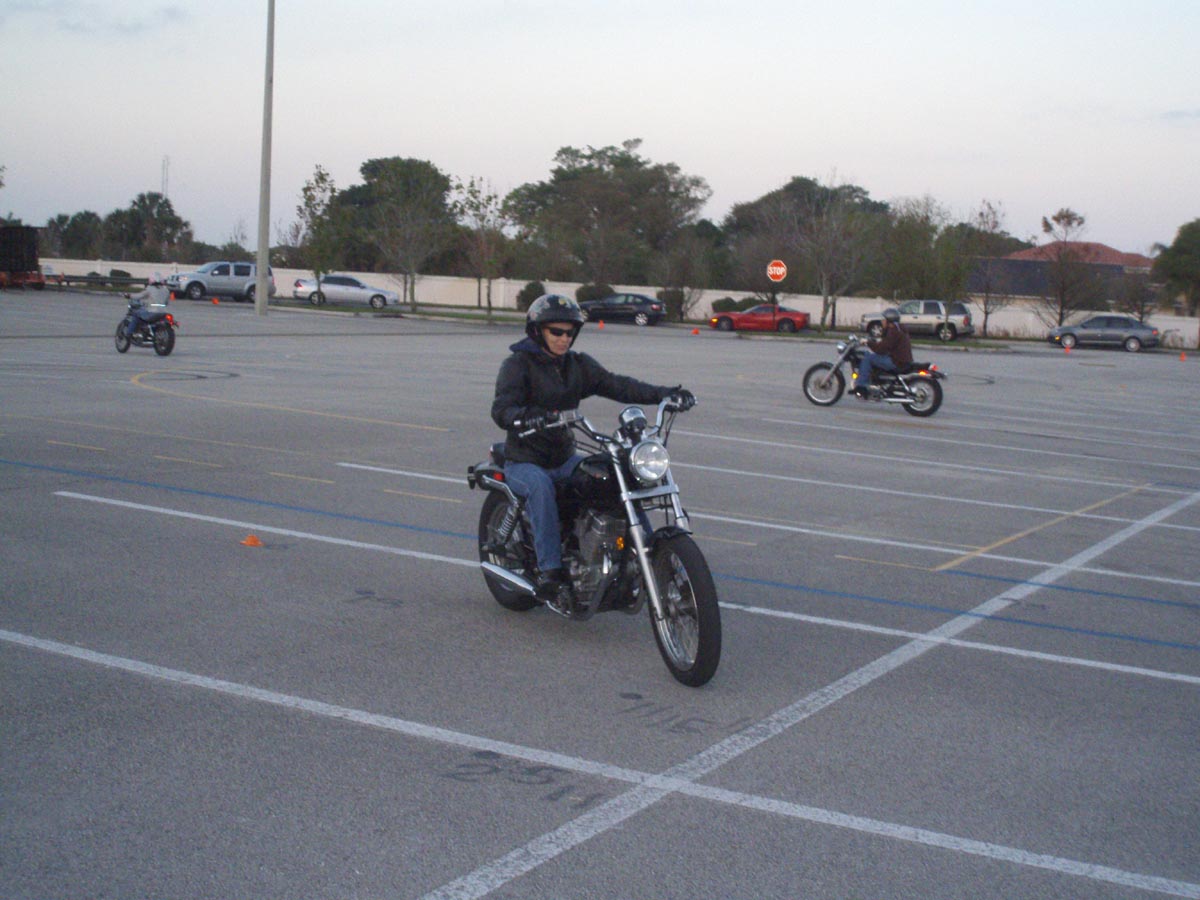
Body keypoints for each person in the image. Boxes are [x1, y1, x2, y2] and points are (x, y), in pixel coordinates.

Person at [491, 294, 694, 609]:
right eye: (556, 332)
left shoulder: (577, 365)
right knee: (541, 488)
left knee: (613, 476)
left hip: (564, 457)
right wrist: (527, 417)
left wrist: (665, 395)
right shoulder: (517, 365)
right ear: (537, 331)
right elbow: (502, 408)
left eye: (569, 332)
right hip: (525, 460)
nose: (564, 338)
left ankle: (648, 559)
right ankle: (550, 572)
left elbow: (617, 385)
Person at [855, 307, 912, 397]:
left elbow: (882, 348)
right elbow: (887, 344)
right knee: (871, 355)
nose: (882, 321)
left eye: (884, 319)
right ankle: (873, 381)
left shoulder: (894, 331)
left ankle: (861, 386)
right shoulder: (898, 329)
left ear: (889, 320)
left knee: (868, 357)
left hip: (896, 362)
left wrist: (868, 342)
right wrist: (875, 342)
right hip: (900, 360)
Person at [124, 273, 170, 338]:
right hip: (164, 312)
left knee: (136, 314)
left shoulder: (150, 288)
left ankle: (129, 333)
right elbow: (166, 302)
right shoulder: (166, 290)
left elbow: (139, 296)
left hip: (152, 312)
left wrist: (129, 296)